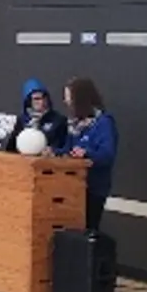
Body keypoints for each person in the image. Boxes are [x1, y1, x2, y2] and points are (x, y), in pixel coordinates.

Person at [58, 77, 117, 231]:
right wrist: (52, 152)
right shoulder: (74, 124)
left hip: (94, 188)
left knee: (88, 229)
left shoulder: (103, 123)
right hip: (74, 187)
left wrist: (86, 153)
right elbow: (67, 150)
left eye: (69, 97)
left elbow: (107, 154)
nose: (66, 102)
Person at [2, 79, 68, 154]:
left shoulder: (59, 120)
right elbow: (10, 148)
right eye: (37, 99)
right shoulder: (21, 120)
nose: (42, 102)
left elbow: (64, 147)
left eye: (44, 97)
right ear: (28, 101)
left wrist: (54, 150)